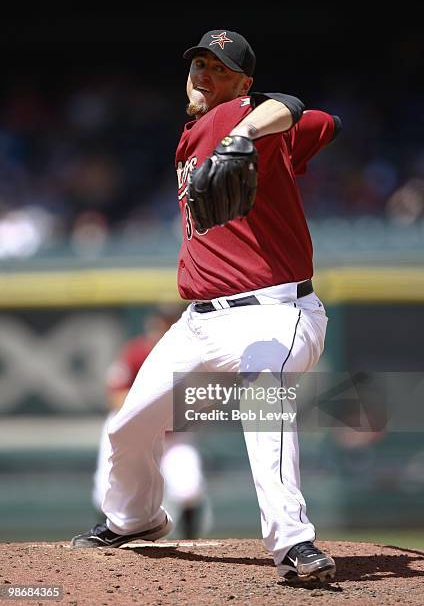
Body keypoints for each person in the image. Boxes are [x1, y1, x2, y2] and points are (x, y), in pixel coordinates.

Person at [71, 29, 341, 583]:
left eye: (218, 68)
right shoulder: (193, 132)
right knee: (128, 426)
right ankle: (135, 519)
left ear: (243, 83)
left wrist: (244, 131)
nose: (202, 74)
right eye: (197, 64)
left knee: (264, 398)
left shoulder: (248, 119)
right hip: (199, 323)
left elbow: (305, 113)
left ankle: (292, 543)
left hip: (275, 311)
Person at [92, 305, 210, 539]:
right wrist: (154, 411)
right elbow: (116, 395)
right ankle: (107, 540)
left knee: (189, 487)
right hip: (132, 430)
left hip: (173, 435)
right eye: (161, 321)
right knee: (106, 490)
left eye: (169, 321)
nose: (164, 327)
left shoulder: (195, 356)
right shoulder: (137, 352)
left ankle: (192, 545)